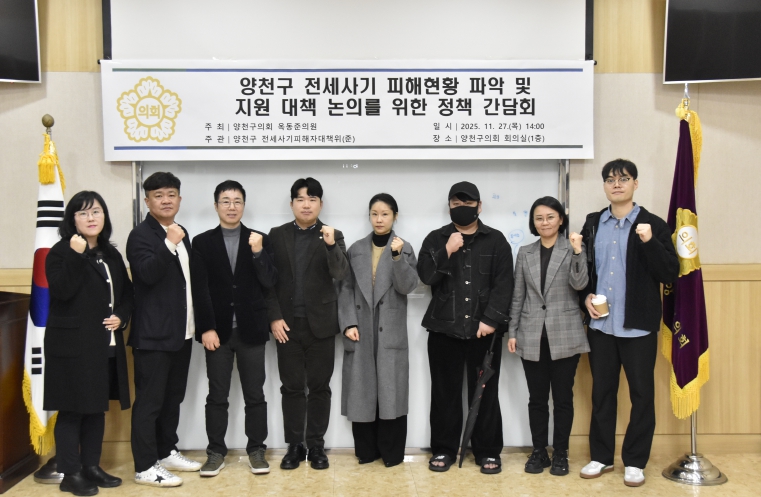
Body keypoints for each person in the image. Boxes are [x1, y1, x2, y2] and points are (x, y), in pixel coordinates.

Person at [578, 159, 679, 487]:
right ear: (604, 186)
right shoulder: (593, 223)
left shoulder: (653, 224)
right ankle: (601, 457)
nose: (616, 184)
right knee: (602, 393)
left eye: (623, 179)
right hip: (601, 326)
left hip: (638, 326)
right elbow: (585, 271)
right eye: (610, 180)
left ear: (635, 183)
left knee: (642, 395)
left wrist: (649, 242)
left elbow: (669, 272)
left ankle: (635, 461)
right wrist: (585, 298)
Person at [417, 181, 513, 474]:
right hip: (443, 331)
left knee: (484, 394)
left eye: (468, 204)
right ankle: (444, 449)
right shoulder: (436, 238)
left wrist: (491, 319)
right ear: (449, 207)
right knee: (444, 395)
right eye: (456, 204)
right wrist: (447, 250)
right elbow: (426, 277)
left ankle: (487, 451)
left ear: (479, 206)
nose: (462, 208)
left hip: (484, 333)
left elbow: (504, 284)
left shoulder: (496, 240)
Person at [44, 191, 133, 496]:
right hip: (71, 347)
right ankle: (70, 473)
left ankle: (91, 467)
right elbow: (62, 290)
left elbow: (127, 294)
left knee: (96, 408)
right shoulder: (60, 252)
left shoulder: (110, 253)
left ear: (104, 216)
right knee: (72, 409)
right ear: (72, 220)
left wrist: (121, 316)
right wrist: (75, 254)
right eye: (82, 213)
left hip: (104, 344)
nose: (90, 218)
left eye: (96, 211)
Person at [191, 180, 278, 476]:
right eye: (226, 201)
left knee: (255, 395)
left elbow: (269, 282)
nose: (232, 206)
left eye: (237, 201)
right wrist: (206, 328)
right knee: (217, 396)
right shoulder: (202, 242)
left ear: (244, 205)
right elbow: (199, 290)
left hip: (251, 330)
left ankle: (257, 450)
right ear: (216, 206)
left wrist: (258, 253)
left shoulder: (259, 239)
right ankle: (215, 452)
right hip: (217, 332)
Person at [264, 177, 350, 470]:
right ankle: (294, 445)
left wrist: (330, 245)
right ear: (292, 204)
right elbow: (268, 281)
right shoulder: (276, 235)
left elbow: (340, 273)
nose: (306, 204)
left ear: (320, 204)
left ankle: (316, 445)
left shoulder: (333, 234)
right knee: (291, 388)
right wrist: (274, 316)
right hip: (286, 326)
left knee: (319, 387)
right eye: (300, 199)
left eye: (312, 199)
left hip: (321, 325)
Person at [127, 172, 202, 487]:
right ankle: (145, 466)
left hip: (181, 333)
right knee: (149, 403)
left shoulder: (180, 232)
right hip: (153, 336)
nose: (166, 200)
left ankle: (166, 451)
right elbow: (146, 274)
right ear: (147, 201)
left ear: (179, 199)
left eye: (171, 194)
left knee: (172, 399)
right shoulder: (141, 236)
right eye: (158, 195)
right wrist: (169, 243)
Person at [507, 196, 589, 477]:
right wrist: (513, 331)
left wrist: (577, 253)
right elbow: (518, 295)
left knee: (563, 398)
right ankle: (539, 450)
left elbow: (580, 283)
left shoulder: (572, 248)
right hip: (531, 334)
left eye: (550, 217)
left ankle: (561, 453)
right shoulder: (525, 252)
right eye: (539, 218)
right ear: (533, 222)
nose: (545, 222)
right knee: (537, 399)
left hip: (565, 333)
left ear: (561, 220)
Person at [338, 193, 419, 467]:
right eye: (374, 214)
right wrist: (348, 322)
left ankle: (391, 453)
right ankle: (366, 451)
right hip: (360, 328)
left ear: (395, 216)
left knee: (390, 391)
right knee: (362, 389)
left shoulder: (404, 247)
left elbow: (407, 286)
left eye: (385, 214)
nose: (379, 219)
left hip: (390, 329)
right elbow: (345, 288)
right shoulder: (356, 248)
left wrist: (397, 258)